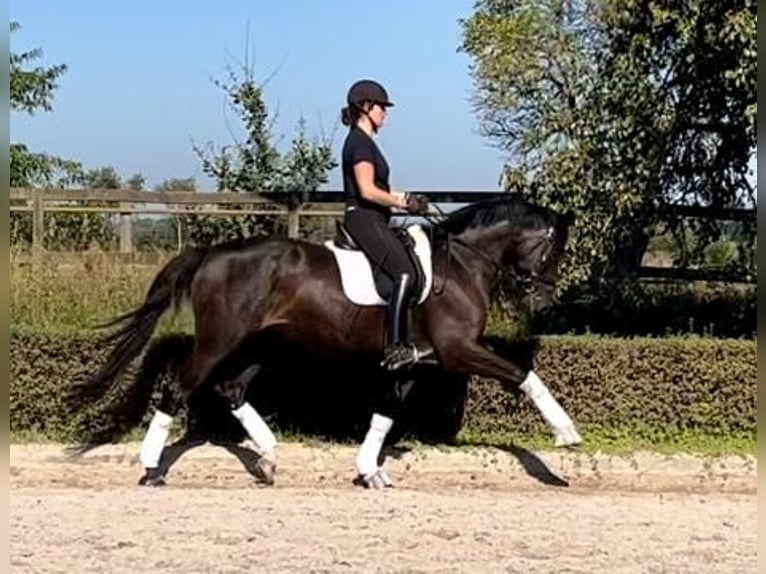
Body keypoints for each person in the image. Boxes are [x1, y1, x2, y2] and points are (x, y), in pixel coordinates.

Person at [340, 78, 429, 370]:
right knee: (405, 272)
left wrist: (409, 200)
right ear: (365, 108)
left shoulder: (363, 142)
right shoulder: (360, 144)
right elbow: (367, 190)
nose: (385, 113)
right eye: (381, 107)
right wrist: (402, 202)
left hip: (374, 217)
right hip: (364, 218)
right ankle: (395, 347)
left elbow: (376, 188)